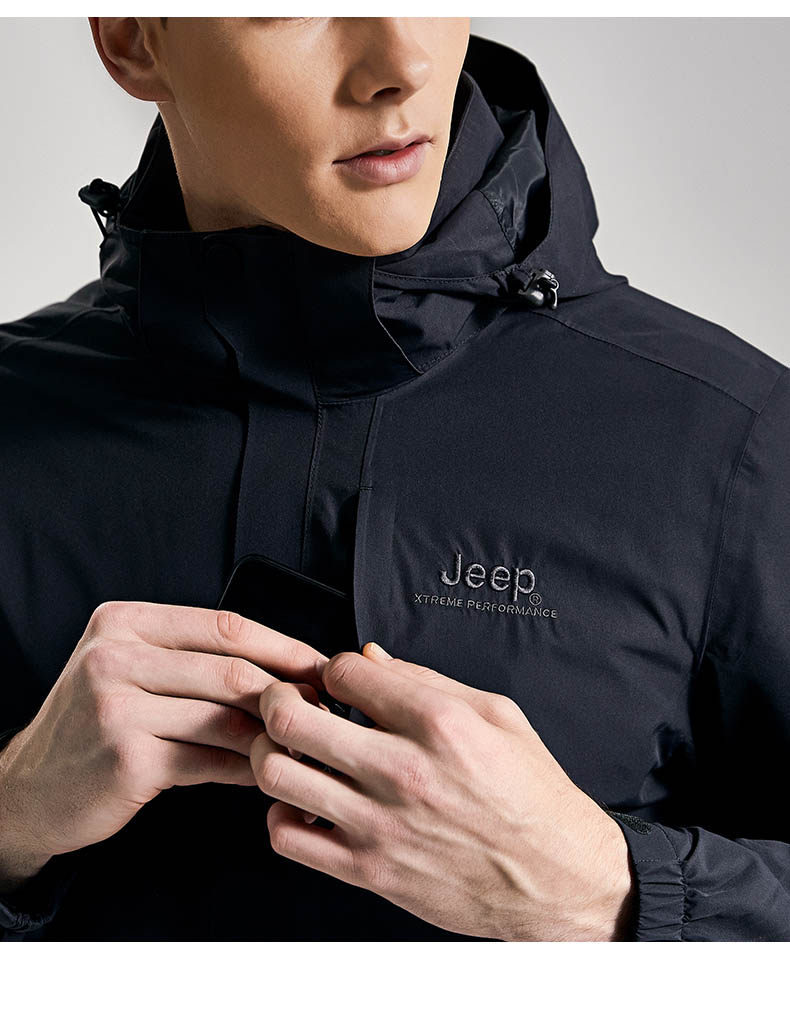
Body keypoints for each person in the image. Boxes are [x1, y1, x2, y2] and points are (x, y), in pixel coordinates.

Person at [0, 16, 788, 943]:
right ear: (136, 41)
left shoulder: (733, 437)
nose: (402, 65)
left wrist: (604, 892)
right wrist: (13, 813)